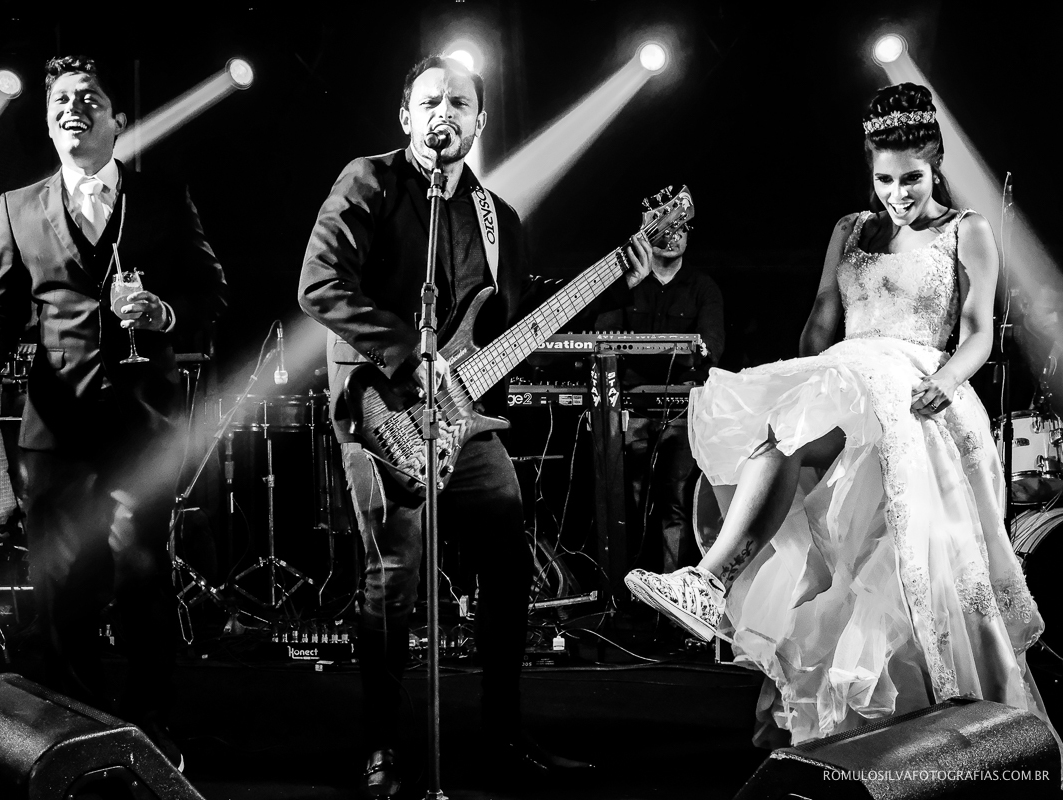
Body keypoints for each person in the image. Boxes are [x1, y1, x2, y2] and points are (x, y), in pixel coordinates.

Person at [625, 83, 1055, 746]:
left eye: (910, 178)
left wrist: (946, 378)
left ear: (937, 160)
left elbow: (976, 333)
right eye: (883, 179)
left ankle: (947, 738)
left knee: (903, 579)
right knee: (776, 436)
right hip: (847, 380)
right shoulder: (850, 230)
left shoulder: (965, 231)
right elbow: (822, 319)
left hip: (916, 388)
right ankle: (708, 582)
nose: (897, 194)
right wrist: (805, 378)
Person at [298, 55, 594, 797]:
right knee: (394, 573)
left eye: (459, 103)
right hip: (380, 411)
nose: (444, 114)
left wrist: (513, 352)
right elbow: (319, 285)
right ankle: (382, 749)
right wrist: (408, 356)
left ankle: (502, 734)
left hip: (466, 418)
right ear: (406, 117)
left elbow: (502, 331)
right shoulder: (368, 182)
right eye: (429, 101)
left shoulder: (504, 222)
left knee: (508, 556)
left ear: (480, 121)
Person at [0, 55, 228, 768]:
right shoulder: (17, 206)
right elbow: (1, 310)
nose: (73, 107)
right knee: (61, 583)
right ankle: (78, 724)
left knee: (140, 573)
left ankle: (149, 725)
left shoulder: (162, 197)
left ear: (117, 121)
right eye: (60, 100)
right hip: (56, 429)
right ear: (48, 123)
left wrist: (164, 313)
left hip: (141, 423)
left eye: (89, 98)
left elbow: (210, 293)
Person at [589, 218, 725, 576]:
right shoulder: (627, 286)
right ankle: (629, 589)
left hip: (680, 412)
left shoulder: (702, 288)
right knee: (627, 502)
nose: (671, 235)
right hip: (629, 407)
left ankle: (667, 593)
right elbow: (603, 342)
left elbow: (710, 353)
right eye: (663, 228)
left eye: (679, 227)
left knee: (674, 501)